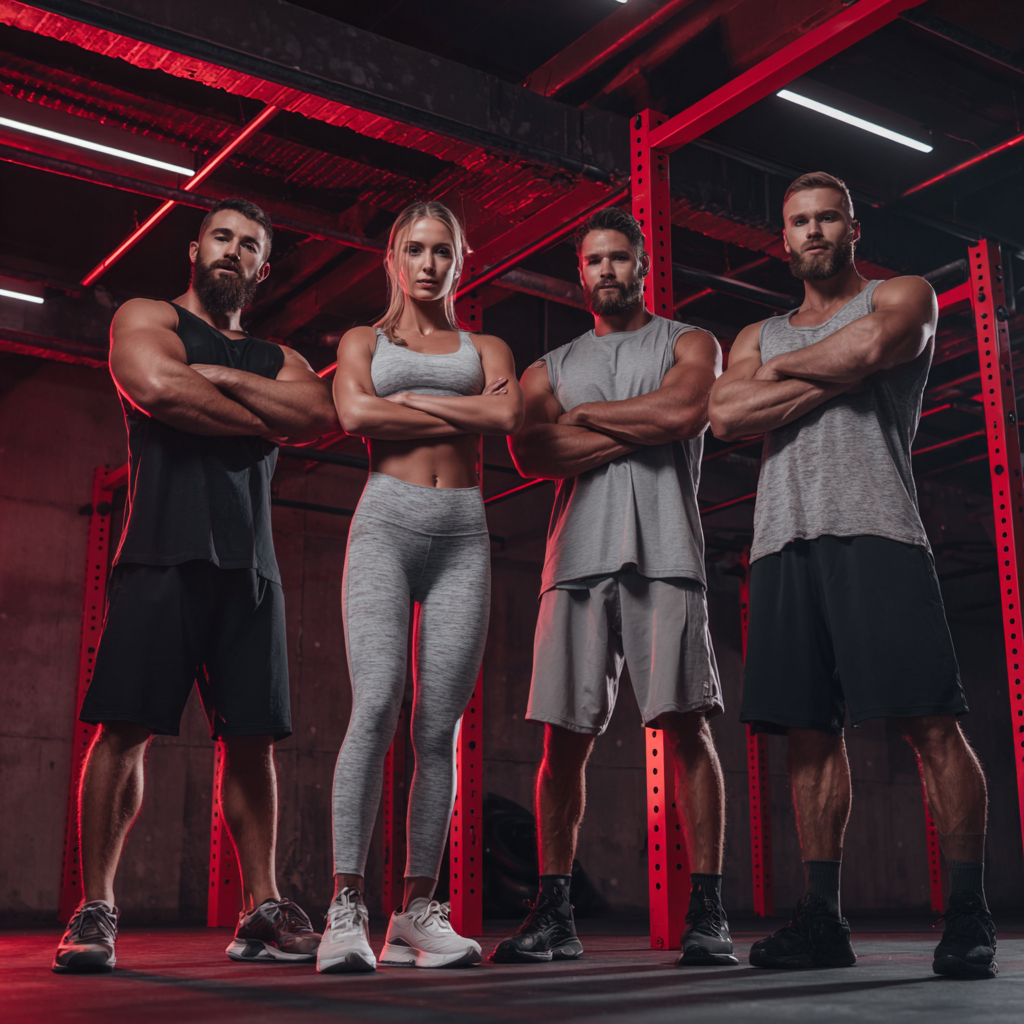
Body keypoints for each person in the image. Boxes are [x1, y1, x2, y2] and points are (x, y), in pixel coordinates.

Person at [708, 171, 996, 979]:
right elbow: (723, 416)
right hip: (781, 544)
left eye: (827, 218)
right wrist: (831, 373)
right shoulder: (758, 332)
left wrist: (778, 380)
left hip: (878, 530)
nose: (813, 231)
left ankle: (968, 912)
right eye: (799, 220)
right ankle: (823, 919)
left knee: (931, 725)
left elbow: (871, 348)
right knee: (809, 734)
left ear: (852, 228)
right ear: (784, 237)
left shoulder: (900, 296)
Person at [52, 198, 337, 974]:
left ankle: (261, 907)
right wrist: (261, 416)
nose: (233, 251)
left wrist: (213, 379)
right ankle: (97, 908)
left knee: (253, 743)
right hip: (161, 552)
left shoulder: (280, 354)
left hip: (252, 569)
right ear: (195, 248)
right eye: (222, 237)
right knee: (123, 730)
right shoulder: (150, 318)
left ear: (263, 268)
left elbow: (317, 412)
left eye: (249, 244)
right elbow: (159, 388)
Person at [492, 207, 734, 967]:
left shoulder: (690, 343)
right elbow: (533, 450)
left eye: (619, 258)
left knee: (689, 730)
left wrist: (588, 418)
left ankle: (708, 912)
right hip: (575, 562)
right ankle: (555, 912)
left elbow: (685, 409)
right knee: (563, 741)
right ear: (581, 272)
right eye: (594, 260)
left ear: (642, 266)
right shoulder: (547, 368)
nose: (606, 271)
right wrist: (639, 423)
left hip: (667, 554)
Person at [320, 201, 523, 973]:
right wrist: (464, 412)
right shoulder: (363, 341)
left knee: (438, 729)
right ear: (393, 259)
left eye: (443, 251)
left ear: (460, 261)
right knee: (376, 704)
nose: (429, 263)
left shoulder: (488, 345)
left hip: (464, 534)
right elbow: (352, 412)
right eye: (416, 249)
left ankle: (415, 913)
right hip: (386, 527)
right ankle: (346, 906)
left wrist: (405, 403)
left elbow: (510, 415)